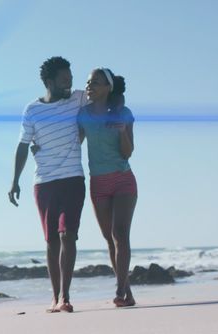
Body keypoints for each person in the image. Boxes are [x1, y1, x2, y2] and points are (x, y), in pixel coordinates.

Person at [9, 56, 88, 313]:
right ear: (49, 81)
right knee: (52, 241)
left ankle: (65, 297)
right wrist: (15, 182)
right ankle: (55, 298)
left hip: (73, 177)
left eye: (71, 79)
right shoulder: (32, 109)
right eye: (64, 80)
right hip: (44, 182)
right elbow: (22, 146)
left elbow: (102, 96)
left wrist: (83, 134)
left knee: (69, 234)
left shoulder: (78, 98)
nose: (69, 84)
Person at [77, 68, 137, 307]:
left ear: (108, 88)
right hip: (98, 182)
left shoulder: (123, 113)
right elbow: (75, 143)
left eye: (96, 83)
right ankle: (128, 292)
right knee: (109, 239)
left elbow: (128, 151)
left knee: (120, 234)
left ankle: (120, 289)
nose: (90, 86)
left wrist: (122, 131)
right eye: (88, 82)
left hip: (123, 178)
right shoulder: (83, 114)